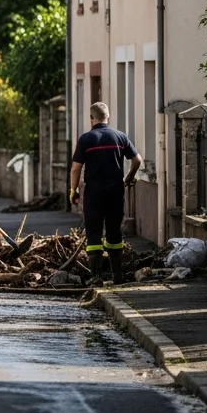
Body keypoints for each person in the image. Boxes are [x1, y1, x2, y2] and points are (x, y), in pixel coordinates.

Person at [70, 101, 142, 285]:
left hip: (94, 191)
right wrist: (129, 179)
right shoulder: (120, 137)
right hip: (115, 190)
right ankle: (117, 275)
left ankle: (97, 276)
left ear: (91, 119)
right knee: (114, 231)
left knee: (94, 232)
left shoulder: (86, 139)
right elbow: (137, 160)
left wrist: (73, 190)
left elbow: (75, 169)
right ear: (108, 117)